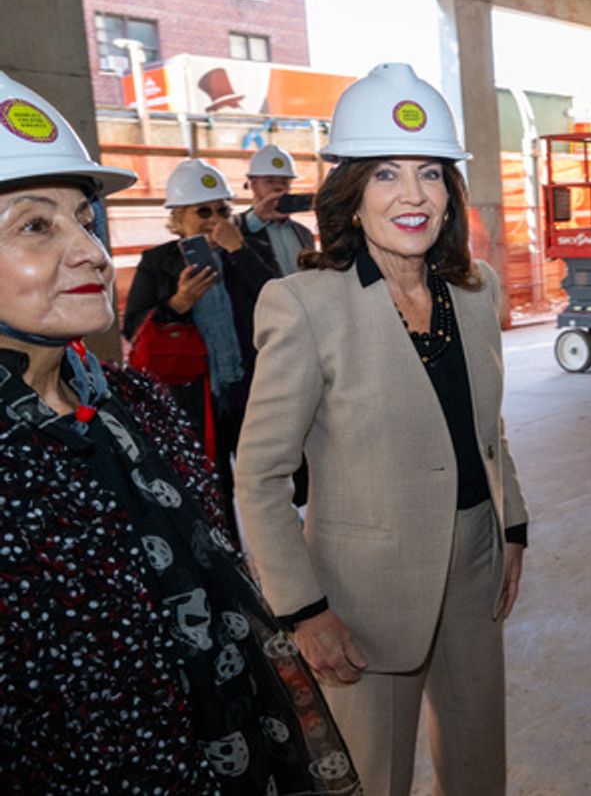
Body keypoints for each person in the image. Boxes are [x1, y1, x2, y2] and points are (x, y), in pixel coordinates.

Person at [0, 71, 359, 792]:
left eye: (85, 218)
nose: (92, 252)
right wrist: (174, 308)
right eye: (37, 225)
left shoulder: (136, 407)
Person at [235, 62, 528, 796]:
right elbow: (260, 475)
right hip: (361, 593)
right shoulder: (305, 304)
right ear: (351, 190)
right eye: (386, 174)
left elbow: (487, 426)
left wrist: (512, 529)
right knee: (372, 776)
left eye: (430, 173)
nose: (412, 195)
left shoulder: (474, 288)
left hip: (474, 560)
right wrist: (304, 609)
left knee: (477, 765)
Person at [122, 157, 275, 530]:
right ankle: (229, 564)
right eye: (202, 210)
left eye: (223, 209)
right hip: (195, 395)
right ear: (179, 218)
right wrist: (178, 305)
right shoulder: (158, 262)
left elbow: (280, 298)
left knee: (265, 484)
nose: (214, 219)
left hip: (251, 387)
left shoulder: (248, 248)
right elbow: (133, 327)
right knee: (210, 487)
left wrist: (239, 251)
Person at [240, 143, 316, 276]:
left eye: (284, 182)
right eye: (270, 181)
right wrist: (258, 217)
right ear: (253, 186)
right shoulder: (238, 231)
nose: (278, 188)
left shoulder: (305, 234)